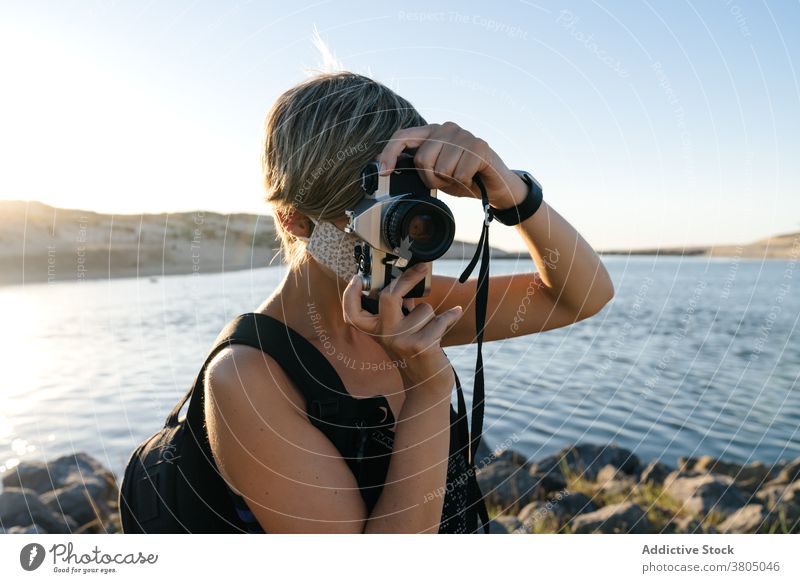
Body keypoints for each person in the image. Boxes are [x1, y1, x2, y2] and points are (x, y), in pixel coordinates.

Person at [203, 71, 614, 533]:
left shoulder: (406, 305)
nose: (409, 245)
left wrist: (510, 191)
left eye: (417, 208)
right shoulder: (250, 378)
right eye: (382, 221)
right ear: (294, 219)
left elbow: (582, 297)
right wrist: (427, 391)